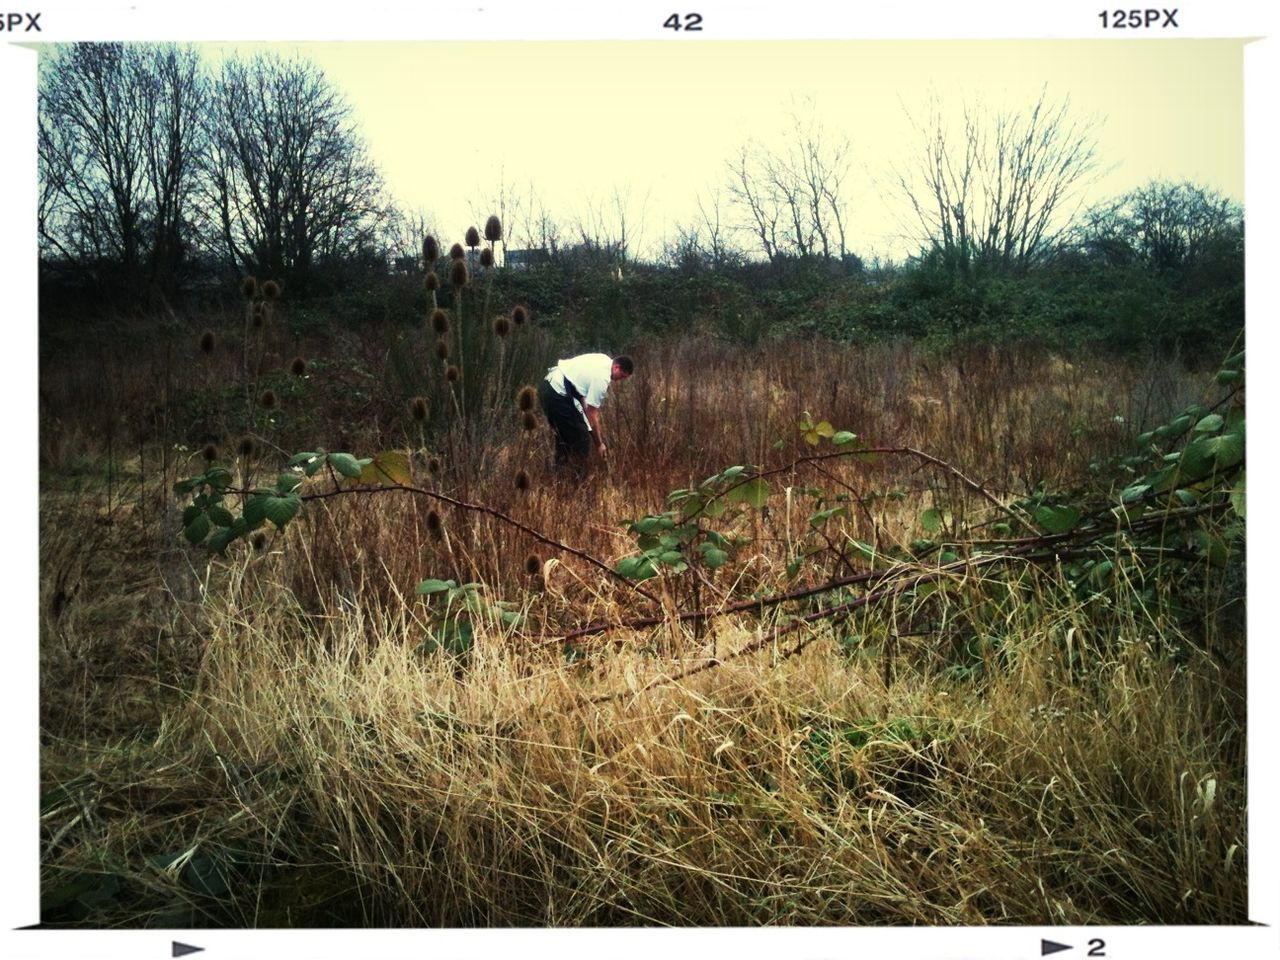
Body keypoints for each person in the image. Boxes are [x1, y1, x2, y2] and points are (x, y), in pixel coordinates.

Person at [537, 353, 633, 473]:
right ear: (616, 367)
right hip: (556, 392)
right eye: (622, 376)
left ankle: (558, 477)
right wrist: (599, 444)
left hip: (549, 386)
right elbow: (592, 414)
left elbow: (581, 397)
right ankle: (577, 482)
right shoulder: (602, 378)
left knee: (565, 436)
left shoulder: (603, 359)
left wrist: (585, 421)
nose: (620, 380)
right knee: (581, 439)